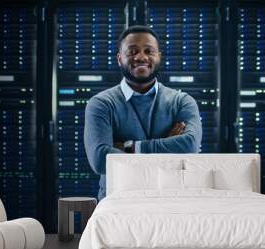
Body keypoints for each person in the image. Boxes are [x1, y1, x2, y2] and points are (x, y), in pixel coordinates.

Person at [84, 25, 202, 200]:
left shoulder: (182, 102)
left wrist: (129, 147)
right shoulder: (101, 104)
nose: (141, 57)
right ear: (119, 58)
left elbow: (190, 146)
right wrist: (168, 147)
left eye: (149, 51)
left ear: (158, 57)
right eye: (132, 51)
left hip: (171, 201)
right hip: (119, 204)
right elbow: (101, 160)